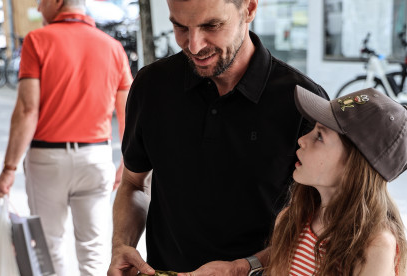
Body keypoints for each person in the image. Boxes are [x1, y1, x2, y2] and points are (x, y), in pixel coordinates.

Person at [108, 0, 329, 275]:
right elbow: (133, 183)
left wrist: (244, 267)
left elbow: (325, 223)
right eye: (180, 27)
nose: (195, 45)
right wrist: (121, 244)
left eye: (211, 25)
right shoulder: (151, 86)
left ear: (248, 9)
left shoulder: (303, 102)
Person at [0, 0, 133, 274]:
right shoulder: (113, 47)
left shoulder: (37, 40)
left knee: (49, 247)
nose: (38, 8)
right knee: (93, 250)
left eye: (41, 2)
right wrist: (127, 162)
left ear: (57, 2)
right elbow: (128, 113)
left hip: (47, 160)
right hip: (96, 157)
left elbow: (27, 109)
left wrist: (9, 168)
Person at [265, 86, 407, 275]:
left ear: (353, 167)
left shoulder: (375, 246)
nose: (302, 140)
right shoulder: (291, 220)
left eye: (320, 136)